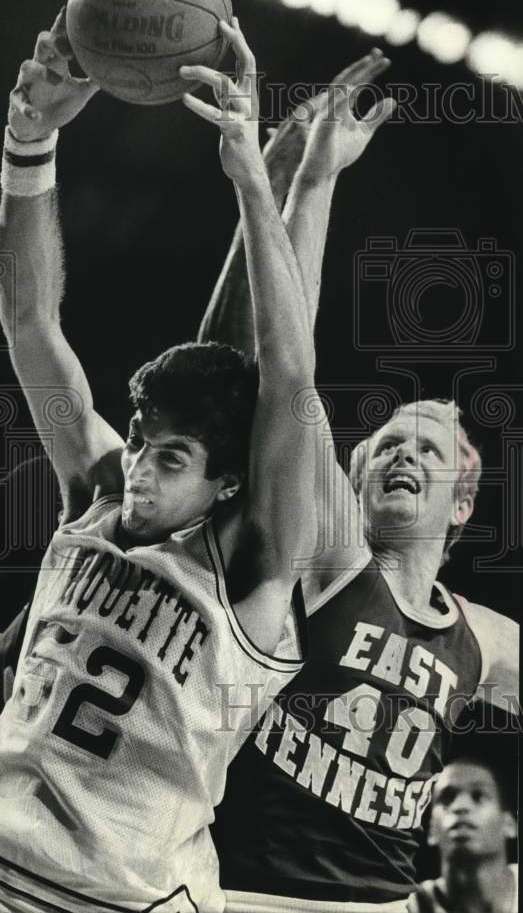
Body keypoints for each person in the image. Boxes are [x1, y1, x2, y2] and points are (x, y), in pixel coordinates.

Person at [0, 12, 319, 913]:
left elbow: (291, 376)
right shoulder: (100, 490)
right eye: (142, 439)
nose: (140, 464)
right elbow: (32, 326)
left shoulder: (254, 565)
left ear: (227, 481)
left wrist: (249, 177)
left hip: (122, 901)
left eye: (171, 456)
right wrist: (27, 140)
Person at [197, 64, 519, 909]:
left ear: (462, 504)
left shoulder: (482, 639)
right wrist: (314, 177)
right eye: (380, 445)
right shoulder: (334, 554)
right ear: (349, 477)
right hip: (249, 892)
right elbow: (285, 366)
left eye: (425, 447)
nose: (398, 454)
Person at [408, 760, 517, 912]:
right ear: (432, 829)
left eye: (478, 796)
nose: (460, 806)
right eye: (447, 798)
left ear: (509, 824)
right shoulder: (407, 907)